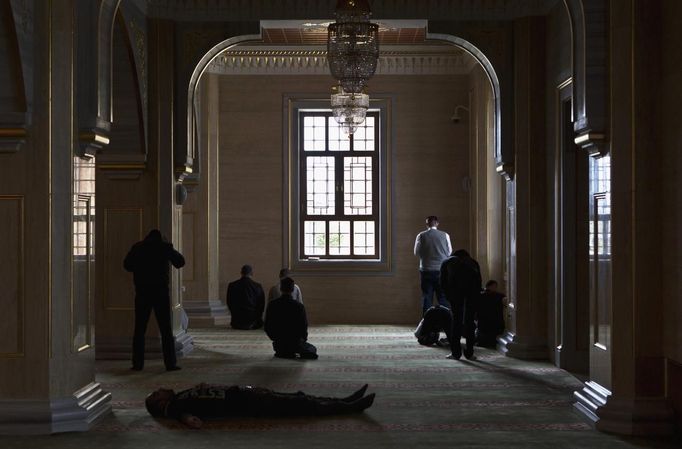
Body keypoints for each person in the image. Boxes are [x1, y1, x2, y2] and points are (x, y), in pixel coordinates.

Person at [145, 383, 375, 429]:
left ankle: (346, 400)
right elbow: (190, 420)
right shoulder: (175, 408)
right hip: (250, 404)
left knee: (300, 396)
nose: (161, 388)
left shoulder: (180, 396)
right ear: (160, 402)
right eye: (157, 393)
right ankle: (351, 407)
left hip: (248, 394)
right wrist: (189, 421)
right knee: (302, 404)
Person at [124, 229, 185, 372]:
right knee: (165, 330)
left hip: (142, 293)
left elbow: (127, 265)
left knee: (139, 330)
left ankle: (137, 364)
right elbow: (180, 262)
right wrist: (168, 248)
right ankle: (170, 364)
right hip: (160, 293)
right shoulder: (164, 247)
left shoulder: (137, 247)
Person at [440, 249, 482, 360]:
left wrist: (449, 297)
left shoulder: (447, 262)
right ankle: (470, 353)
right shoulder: (473, 262)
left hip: (455, 296)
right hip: (471, 295)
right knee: (470, 323)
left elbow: (442, 283)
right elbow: (479, 282)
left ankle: (456, 353)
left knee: (456, 322)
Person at [264, 277, 318, 359]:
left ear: (281, 289)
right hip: (295, 343)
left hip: (279, 345)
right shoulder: (299, 306)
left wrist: (275, 338)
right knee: (312, 349)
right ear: (293, 290)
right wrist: (302, 340)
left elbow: (267, 325)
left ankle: (284, 352)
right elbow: (304, 326)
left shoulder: (272, 305)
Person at [414, 215, 453, 315]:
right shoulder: (445, 235)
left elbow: (416, 252)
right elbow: (449, 252)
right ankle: (447, 323)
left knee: (427, 297)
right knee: (443, 297)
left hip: (426, 270)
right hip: (441, 270)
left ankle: (427, 325)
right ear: (437, 223)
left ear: (427, 224)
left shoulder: (421, 235)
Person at [226, 265, 266, 330]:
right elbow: (261, 305)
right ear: (252, 273)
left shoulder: (232, 285)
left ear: (241, 273)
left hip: (237, 322)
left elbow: (229, 302)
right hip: (253, 323)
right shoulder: (257, 286)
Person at [476, 280, 507, 348]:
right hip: (484, 319)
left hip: (495, 318)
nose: (495, 288)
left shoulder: (500, 296)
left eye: (495, 286)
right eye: (493, 286)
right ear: (488, 286)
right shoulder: (482, 295)